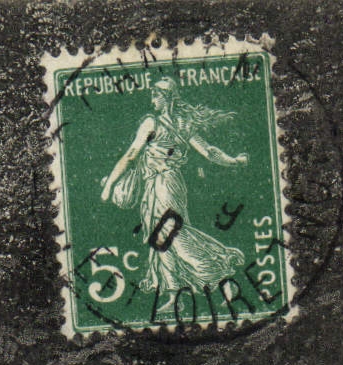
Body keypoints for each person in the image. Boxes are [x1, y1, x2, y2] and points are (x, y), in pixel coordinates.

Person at [99, 77, 249, 296]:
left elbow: (131, 154)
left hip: (161, 185)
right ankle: (172, 290)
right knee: (160, 236)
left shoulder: (152, 122)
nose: (152, 100)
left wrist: (110, 184)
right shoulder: (185, 125)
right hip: (171, 184)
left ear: (166, 98)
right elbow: (209, 152)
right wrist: (234, 161)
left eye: (155, 95)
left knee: (171, 233)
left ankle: (214, 269)